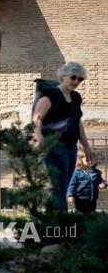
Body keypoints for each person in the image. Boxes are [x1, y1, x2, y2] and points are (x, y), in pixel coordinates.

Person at [33, 62, 93, 211]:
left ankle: (50, 217)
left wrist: (86, 146)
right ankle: (61, 221)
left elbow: (77, 123)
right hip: (53, 146)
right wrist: (42, 142)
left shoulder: (76, 98)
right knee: (59, 186)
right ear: (63, 76)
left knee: (62, 186)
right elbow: (37, 120)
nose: (76, 82)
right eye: (73, 77)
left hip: (70, 147)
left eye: (80, 79)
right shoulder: (50, 95)